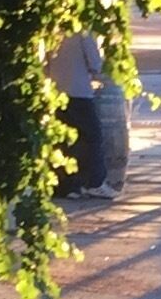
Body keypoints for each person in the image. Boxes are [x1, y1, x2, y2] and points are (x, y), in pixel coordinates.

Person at [46, 24, 114, 199]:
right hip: (79, 92)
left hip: (57, 93)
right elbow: (95, 64)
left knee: (63, 141)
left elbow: (45, 65)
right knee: (94, 136)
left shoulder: (53, 30)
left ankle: (66, 186)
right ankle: (95, 182)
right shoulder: (83, 32)